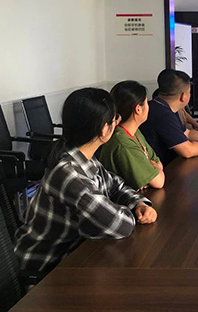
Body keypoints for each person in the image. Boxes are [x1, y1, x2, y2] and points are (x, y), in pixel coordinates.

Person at [14, 88, 157, 275]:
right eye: (115, 119)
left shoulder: (81, 155)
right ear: (104, 129)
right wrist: (132, 211)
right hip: (44, 272)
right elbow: (121, 225)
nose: (117, 123)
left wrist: (138, 203)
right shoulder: (69, 175)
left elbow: (116, 185)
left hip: (73, 256)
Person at [140, 69, 198, 165]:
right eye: (189, 92)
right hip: (166, 168)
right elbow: (187, 151)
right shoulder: (164, 115)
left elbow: (188, 133)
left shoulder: (159, 106)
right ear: (183, 96)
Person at [99, 81, 165, 191]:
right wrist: (152, 167)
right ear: (138, 109)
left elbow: (158, 163)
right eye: (146, 103)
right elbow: (159, 181)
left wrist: (152, 167)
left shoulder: (134, 131)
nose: (148, 107)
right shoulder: (122, 142)